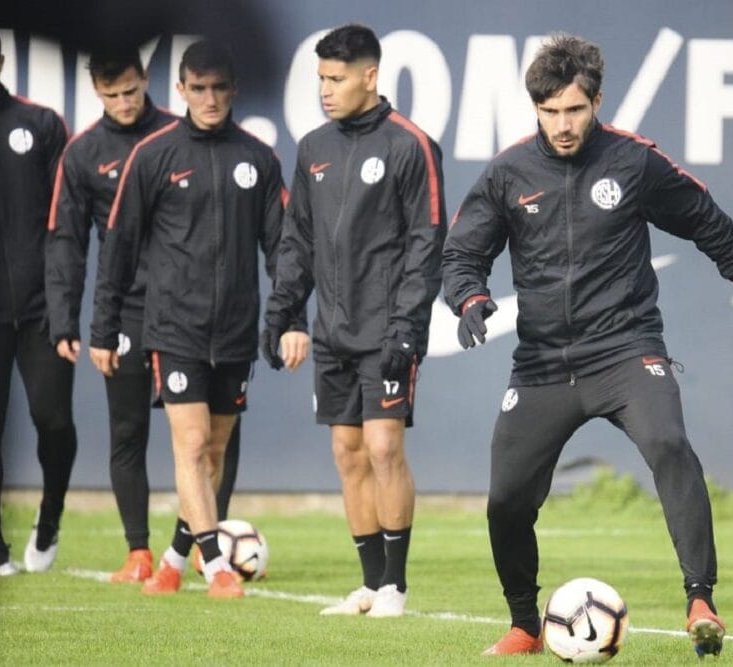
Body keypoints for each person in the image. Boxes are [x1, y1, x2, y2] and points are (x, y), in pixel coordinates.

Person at [442, 34, 733, 658]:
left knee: (668, 443)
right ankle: (527, 623)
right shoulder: (508, 173)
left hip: (626, 350)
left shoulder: (634, 162)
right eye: (549, 112)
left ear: (596, 101)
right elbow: (463, 252)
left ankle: (700, 599)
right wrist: (468, 297)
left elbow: (702, 216)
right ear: (536, 109)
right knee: (504, 502)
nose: (562, 125)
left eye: (574, 110)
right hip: (543, 364)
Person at [89, 39, 285, 598]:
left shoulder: (258, 159)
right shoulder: (152, 156)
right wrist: (103, 329)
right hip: (173, 328)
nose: (209, 98)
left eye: (219, 88)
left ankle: (174, 559)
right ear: (180, 90)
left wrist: (287, 316)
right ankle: (216, 566)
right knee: (193, 442)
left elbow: (282, 249)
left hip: (237, 332)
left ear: (234, 89)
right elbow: (119, 249)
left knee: (215, 450)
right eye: (198, 88)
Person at [262, 24, 446, 617]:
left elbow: (426, 242)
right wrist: (284, 311)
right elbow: (297, 240)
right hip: (332, 331)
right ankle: (369, 584)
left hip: (388, 329)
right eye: (320, 79)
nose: (326, 89)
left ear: (370, 76)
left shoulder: (410, 145)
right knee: (347, 451)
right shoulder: (313, 147)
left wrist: (408, 330)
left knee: (383, 446)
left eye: (336, 79)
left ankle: (396, 585)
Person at [46, 48, 243, 584]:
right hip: (130, 310)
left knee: (212, 436)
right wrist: (72, 320)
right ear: (96, 92)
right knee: (129, 429)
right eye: (112, 94)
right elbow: (69, 243)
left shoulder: (186, 137)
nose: (124, 101)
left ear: (150, 82)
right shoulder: (84, 154)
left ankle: (204, 544)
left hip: (195, 309)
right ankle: (138, 550)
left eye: (131, 89)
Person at [0, 27, 77, 576]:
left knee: (53, 421)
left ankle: (51, 515)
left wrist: (63, 304)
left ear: (1, 61)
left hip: (41, 311)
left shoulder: (39, 125)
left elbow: (64, 224)